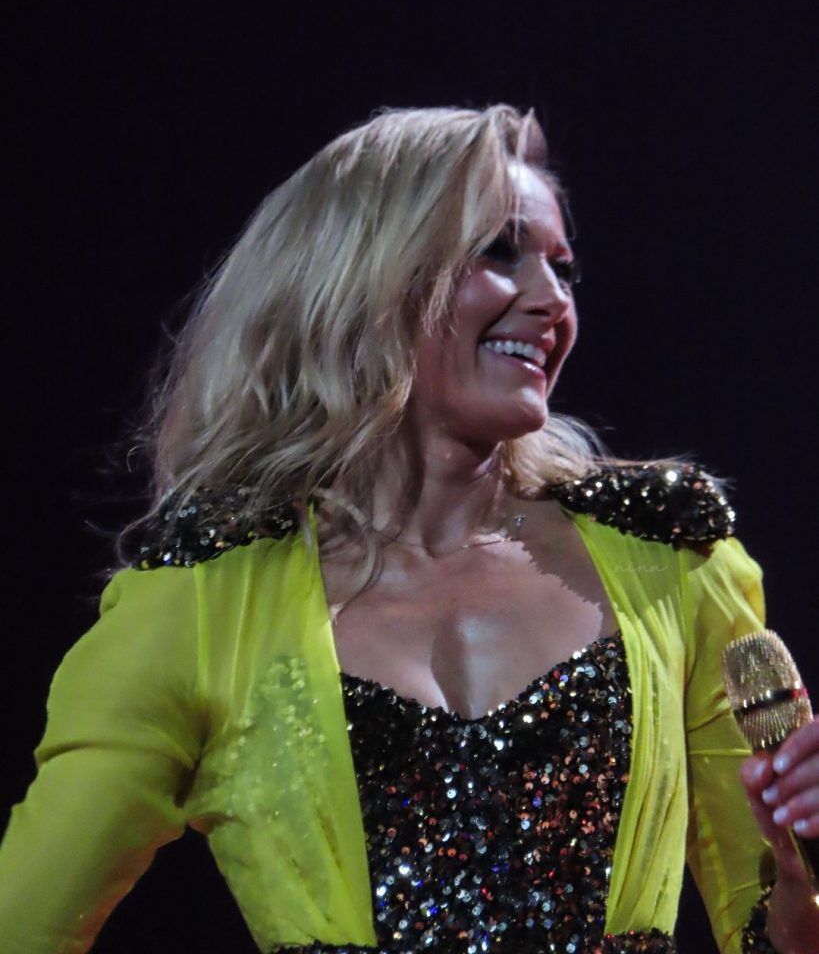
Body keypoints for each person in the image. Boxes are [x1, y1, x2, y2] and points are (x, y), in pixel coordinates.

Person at [1, 105, 817, 954]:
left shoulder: (671, 561)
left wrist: (805, 880)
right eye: (498, 251)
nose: (551, 301)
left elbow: (777, 929)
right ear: (363, 276)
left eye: (562, 268)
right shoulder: (201, 604)